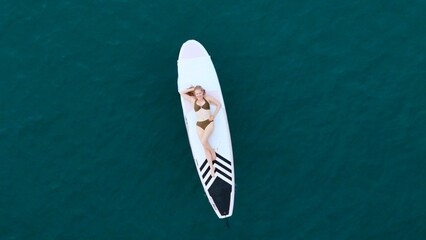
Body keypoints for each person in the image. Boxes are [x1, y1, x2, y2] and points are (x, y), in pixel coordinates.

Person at [180, 85, 221, 176]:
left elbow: (218, 104)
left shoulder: (208, 98)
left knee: (203, 141)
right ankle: (211, 167)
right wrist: (192, 89)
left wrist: (213, 115)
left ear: (203, 92)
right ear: (195, 94)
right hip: (199, 125)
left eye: (200, 93)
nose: (198, 95)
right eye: (196, 93)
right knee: (204, 146)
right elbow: (181, 93)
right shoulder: (193, 100)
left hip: (209, 123)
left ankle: (212, 152)